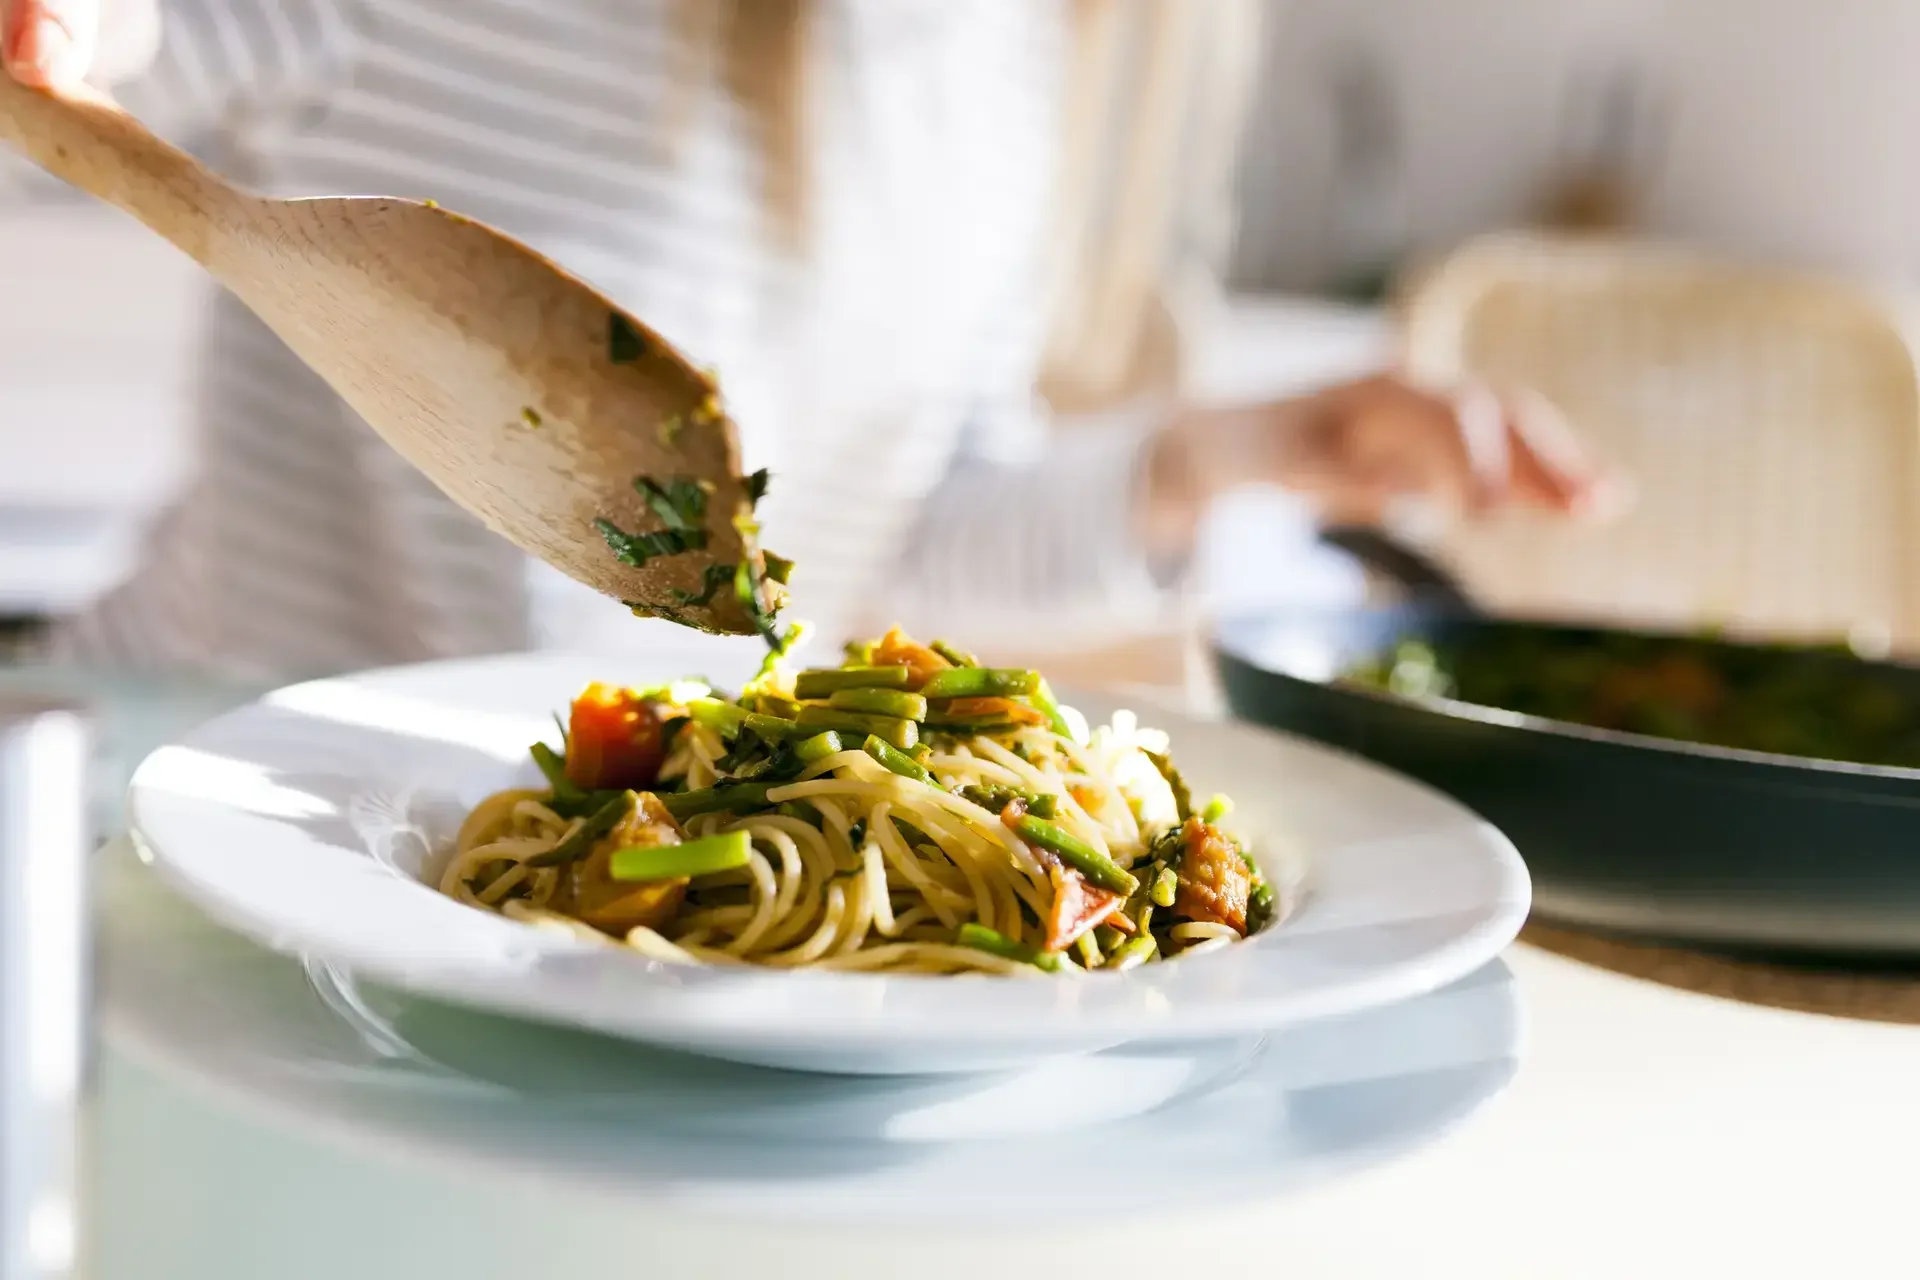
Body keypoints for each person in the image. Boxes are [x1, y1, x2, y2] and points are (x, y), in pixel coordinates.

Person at [2, 0, 1617, 677]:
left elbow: (902, 537)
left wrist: (1251, 457)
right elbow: (148, 32)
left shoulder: (1014, 74)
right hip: (170, 800)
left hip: (543, 902)